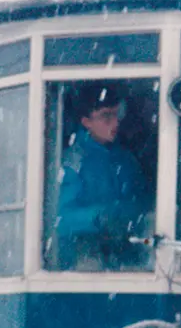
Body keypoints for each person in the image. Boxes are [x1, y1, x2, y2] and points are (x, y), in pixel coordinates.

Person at [55, 82, 153, 270]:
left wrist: (132, 218)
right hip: (81, 260)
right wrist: (99, 218)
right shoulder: (72, 163)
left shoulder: (126, 160)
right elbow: (59, 218)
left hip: (127, 259)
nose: (115, 123)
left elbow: (144, 202)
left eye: (117, 115)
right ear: (86, 122)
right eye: (105, 117)